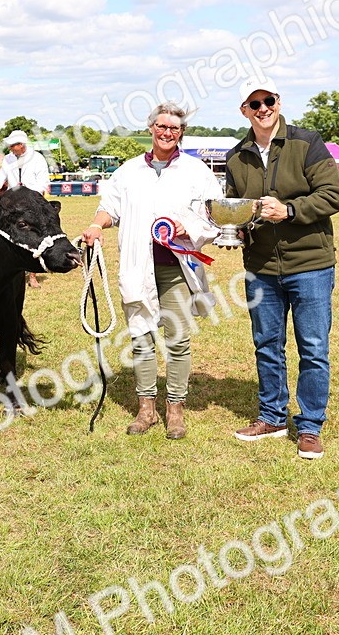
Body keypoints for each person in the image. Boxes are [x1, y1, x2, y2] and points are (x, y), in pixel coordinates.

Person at [81, 104, 222, 439]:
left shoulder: (196, 170)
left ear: (181, 132)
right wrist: (96, 225)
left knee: (177, 339)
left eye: (174, 128)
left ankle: (175, 410)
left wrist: (183, 224)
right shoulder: (128, 171)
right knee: (141, 337)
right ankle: (146, 409)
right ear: (151, 129)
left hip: (178, 268)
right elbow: (109, 208)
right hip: (137, 266)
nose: (167, 132)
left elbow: (211, 212)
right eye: (161, 126)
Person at [225, 77, 339, 460]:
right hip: (260, 267)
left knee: (313, 347)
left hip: (310, 264)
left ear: (279, 102)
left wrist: (290, 210)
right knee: (267, 345)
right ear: (244, 110)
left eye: (269, 101)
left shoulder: (306, 142)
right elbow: (234, 207)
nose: (263, 109)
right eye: (254, 104)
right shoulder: (235, 155)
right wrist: (235, 230)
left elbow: (332, 195)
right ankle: (273, 416)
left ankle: (309, 426)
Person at [0, 130, 51, 288]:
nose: (10, 148)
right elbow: (1, 176)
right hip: (13, 202)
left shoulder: (38, 159)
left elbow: (43, 183)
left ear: (21, 145)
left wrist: (29, 196)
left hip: (33, 202)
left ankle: (32, 275)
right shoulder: (8, 159)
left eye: (13, 146)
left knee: (34, 237)